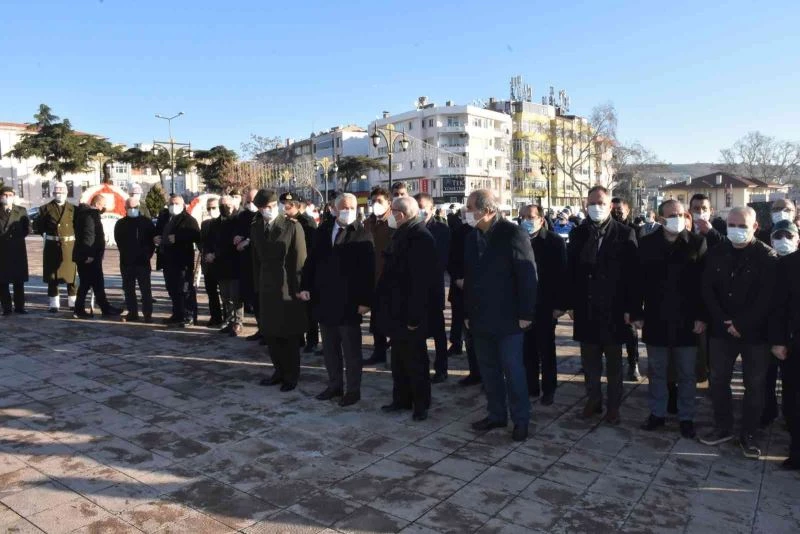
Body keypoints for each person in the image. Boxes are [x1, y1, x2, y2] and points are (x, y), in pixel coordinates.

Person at [700, 206, 777, 458]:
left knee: (754, 385)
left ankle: (749, 434)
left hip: (756, 335)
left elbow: (767, 299)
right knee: (719, 380)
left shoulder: (767, 257)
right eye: (732, 225)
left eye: (742, 226)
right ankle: (723, 427)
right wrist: (724, 321)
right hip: (722, 331)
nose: (736, 230)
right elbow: (708, 290)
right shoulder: (717, 252)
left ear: (755, 227)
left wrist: (741, 324)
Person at [462, 190, 537, 441]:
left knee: (513, 370)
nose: (466, 212)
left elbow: (527, 275)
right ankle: (496, 415)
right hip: (481, 317)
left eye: (470, 207)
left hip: (510, 318)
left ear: (486, 210)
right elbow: (470, 278)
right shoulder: (472, 237)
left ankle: (521, 420)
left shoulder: (513, 232)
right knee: (489, 370)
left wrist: (527, 312)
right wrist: (467, 312)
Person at [565, 185, 638, 425]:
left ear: (610, 206)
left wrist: (631, 309)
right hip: (586, 308)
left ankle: (613, 406)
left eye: (601, 203)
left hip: (614, 310)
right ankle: (593, 399)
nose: (596, 207)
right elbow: (572, 272)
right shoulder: (579, 233)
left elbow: (632, 276)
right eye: (592, 203)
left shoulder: (625, 233)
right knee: (590, 361)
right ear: (586, 205)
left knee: (615, 363)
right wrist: (571, 304)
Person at [634, 200, 706, 439]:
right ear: (661, 219)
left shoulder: (696, 243)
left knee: (687, 373)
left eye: (681, 214)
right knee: (657, 370)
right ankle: (658, 413)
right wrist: (637, 312)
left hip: (688, 321)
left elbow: (704, 286)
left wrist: (701, 316)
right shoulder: (646, 244)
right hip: (657, 318)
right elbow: (637, 282)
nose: (678, 217)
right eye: (672, 215)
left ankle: (686, 417)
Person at [300, 193, 374, 406]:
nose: (348, 210)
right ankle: (335, 385)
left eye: (352, 207)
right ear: (333, 208)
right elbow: (311, 261)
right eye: (344, 207)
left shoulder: (362, 233)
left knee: (351, 351)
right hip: (324, 299)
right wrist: (305, 286)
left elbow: (368, 271)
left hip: (349, 302)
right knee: (330, 349)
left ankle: (353, 390)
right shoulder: (323, 230)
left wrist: (365, 300)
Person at [375, 196, 437, 421]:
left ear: (400, 214)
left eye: (392, 212)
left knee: (415, 361)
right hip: (397, 310)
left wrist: (415, 316)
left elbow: (420, 282)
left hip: (410, 312)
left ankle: (421, 404)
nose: (390, 216)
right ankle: (401, 399)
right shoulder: (402, 233)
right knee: (400, 359)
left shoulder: (420, 236)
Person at [251, 189, 307, 391]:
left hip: (287, 288)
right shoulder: (256, 227)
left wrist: (300, 288)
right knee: (271, 333)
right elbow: (255, 260)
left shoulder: (292, 226)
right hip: (266, 288)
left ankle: (291, 376)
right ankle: (278, 371)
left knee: (288, 334)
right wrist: (256, 286)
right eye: (263, 208)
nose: (267, 210)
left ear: (277, 206)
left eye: (271, 207)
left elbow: (299, 260)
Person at [519, 204, 567, 405]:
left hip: (546, 304)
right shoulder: (517, 240)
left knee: (546, 349)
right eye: (523, 217)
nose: (526, 220)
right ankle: (531, 386)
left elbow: (562, 274)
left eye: (531, 217)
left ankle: (549, 388)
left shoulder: (554, 241)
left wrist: (560, 304)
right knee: (527, 349)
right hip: (523, 305)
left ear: (540, 219)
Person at [769, 220, 800, 469]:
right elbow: (779, 307)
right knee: (793, 398)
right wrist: (778, 341)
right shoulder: (789, 264)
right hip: (794, 343)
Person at [415, 192, 451, 383]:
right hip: (415, 289)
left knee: (438, 332)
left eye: (423, 206)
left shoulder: (441, 230)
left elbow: (441, 259)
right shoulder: (412, 228)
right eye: (417, 206)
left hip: (433, 287)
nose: (420, 210)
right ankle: (421, 367)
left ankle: (441, 368)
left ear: (431, 209)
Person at [71, 194, 121, 318]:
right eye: (104, 205)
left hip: (91, 255)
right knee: (86, 284)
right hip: (88, 256)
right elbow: (89, 236)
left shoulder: (87, 214)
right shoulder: (90, 215)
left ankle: (105, 307)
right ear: (98, 204)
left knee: (98, 283)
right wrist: (90, 254)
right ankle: (79, 309)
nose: (104, 208)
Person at [282, 192, 320, 353]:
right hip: (289, 268)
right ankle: (298, 337)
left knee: (308, 307)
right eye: (283, 204)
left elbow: (312, 247)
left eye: (288, 205)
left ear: (297, 206)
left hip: (304, 268)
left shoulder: (307, 222)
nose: (285, 207)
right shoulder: (284, 222)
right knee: (295, 306)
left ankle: (312, 339)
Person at [155, 194, 200, 327]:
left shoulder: (189, 220)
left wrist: (179, 237)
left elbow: (195, 235)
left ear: (183, 205)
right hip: (167, 260)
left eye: (176, 203)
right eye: (171, 203)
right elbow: (157, 231)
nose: (173, 206)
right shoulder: (164, 218)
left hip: (182, 262)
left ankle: (189, 315)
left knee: (185, 289)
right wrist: (155, 238)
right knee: (172, 289)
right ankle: (177, 314)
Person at [33, 182, 78, 313]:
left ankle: (72, 302)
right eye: (57, 192)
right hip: (52, 246)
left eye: (62, 191)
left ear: (66, 193)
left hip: (69, 246)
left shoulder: (74, 209)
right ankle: (54, 303)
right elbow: (39, 227)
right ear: (53, 193)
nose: (59, 194)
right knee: (52, 276)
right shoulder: (45, 208)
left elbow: (77, 227)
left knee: (71, 277)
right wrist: (50, 236)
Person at [363, 187, 394, 365]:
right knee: (376, 321)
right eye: (373, 201)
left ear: (388, 203)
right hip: (372, 277)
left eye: (379, 201)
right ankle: (379, 351)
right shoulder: (368, 223)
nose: (376, 205)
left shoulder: (394, 223)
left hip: (389, 278)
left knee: (392, 318)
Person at [114, 197, 155, 323]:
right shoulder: (121, 223)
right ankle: (132, 312)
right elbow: (118, 240)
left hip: (142, 262)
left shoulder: (146, 222)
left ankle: (147, 314)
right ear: (125, 208)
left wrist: (147, 255)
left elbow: (151, 241)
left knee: (145, 290)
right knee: (128, 289)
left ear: (139, 208)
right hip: (126, 262)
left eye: (135, 207)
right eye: (130, 207)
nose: (132, 210)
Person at [213, 195, 244, 336]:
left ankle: (238, 322)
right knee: (225, 296)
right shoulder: (216, 223)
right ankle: (229, 320)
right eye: (222, 205)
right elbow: (211, 241)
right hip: (221, 265)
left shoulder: (238, 221)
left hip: (234, 264)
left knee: (235, 296)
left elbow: (233, 243)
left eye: (227, 205)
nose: (224, 208)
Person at [236, 188, 261, 340]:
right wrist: (237, 237)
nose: (251, 204)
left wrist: (248, 241)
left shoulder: (262, 216)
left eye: (254, 201)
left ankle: (266, 330)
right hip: (246, 263)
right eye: (248, 201)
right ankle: (261, 328)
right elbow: (240, 230)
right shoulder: (243, 216)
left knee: (262, 300)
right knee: (253, 298)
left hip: (260, 264)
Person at [0, 186, 29, 315]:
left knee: (19, 280)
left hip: (17, 249)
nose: (7, 197)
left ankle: (19, 306)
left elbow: (26, 229)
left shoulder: (21, 211)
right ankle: (6, 307)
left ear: (14, 196)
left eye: (10, 194)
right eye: (5, 194)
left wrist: (15, 239)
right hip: (2, 250)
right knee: (2, 281)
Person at [200, 197, 224, 328]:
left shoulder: (224, 222)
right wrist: (206, 254)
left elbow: (224, 243)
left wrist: (214, 255)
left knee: (225, 294)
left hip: (220, 263)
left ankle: (228, 318)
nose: (211, 210)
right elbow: (201, 241)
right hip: (208, 264)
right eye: (209, 208)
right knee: (211, 293)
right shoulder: (205, 224)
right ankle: (215, 317)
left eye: (214, 207)